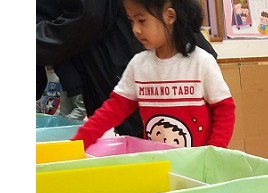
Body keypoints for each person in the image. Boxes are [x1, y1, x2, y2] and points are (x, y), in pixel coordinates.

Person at [36, 0, 221, 140]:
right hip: (155, 149)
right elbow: (116, 107)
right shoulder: (138, 64)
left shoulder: (201, 63)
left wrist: (215, 149)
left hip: (194, 155)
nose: (136, 30)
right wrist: (83, 139)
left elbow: (222, 111)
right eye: (131, 21)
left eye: (141, 20)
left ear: (170, 16)